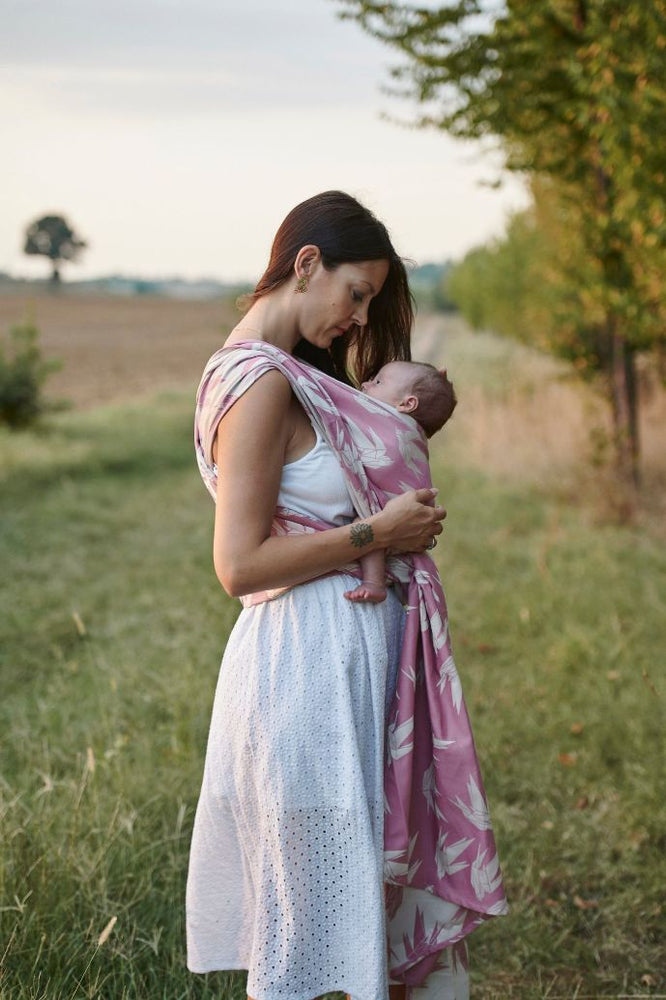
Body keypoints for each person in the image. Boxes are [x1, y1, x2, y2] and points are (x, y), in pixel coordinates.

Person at [186, 191, 508, 1000]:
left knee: (359, 909)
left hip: (348, 672)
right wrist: (381, 536)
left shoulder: (290, 376)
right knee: (309, 925)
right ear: (306, 264)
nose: (360, 321)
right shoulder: (259, 381)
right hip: (308, 673)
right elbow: (240, 566)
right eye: (356, 294)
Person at [344, 360, 457, 604]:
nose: (364, 383)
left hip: (397, 511)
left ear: (407, 404)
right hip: (412, 512)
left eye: (377, 382)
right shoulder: (411, 431)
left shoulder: (393, 428)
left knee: (365, 522)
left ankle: (374, 582)